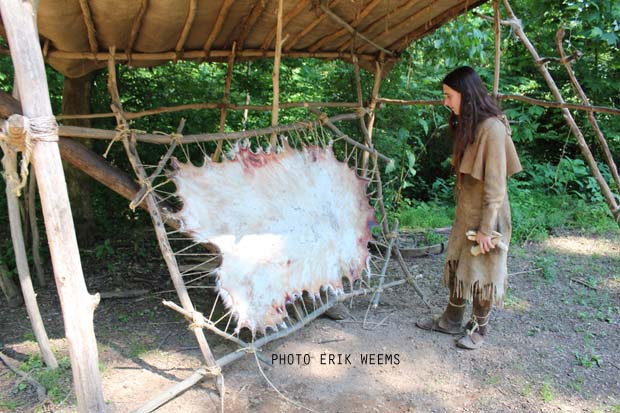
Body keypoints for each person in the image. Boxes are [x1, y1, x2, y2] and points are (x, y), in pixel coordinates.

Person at [416, 66, 522, 349]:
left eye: (449, 96)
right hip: (467, 211)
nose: (446, 102)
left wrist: (487, 229)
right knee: (459, 263)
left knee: (482, 272)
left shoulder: (493, 129)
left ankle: (479, 328)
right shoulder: (469, 124)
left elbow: (496, 185)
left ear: (467, 94)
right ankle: (451, 320)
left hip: (489, 214)